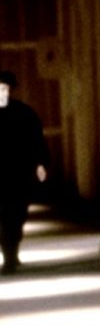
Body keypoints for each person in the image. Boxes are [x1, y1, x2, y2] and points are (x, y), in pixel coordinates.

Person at [0, 71, 48, 275]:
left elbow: (37, 139)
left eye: (4, 88)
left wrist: (40, 164)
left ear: (10, 90)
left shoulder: (23, 113)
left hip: (19, 173)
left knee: (17, 215)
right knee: (3, 216)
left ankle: (12, 252)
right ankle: (8, 255)